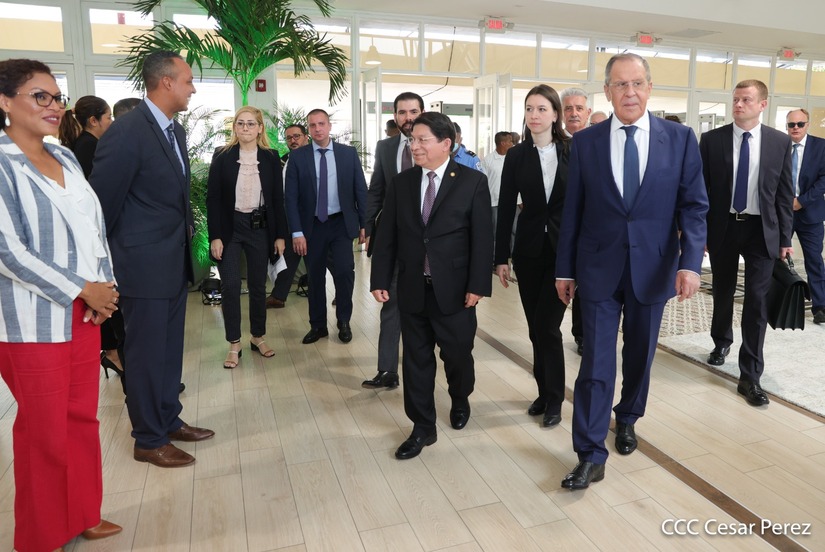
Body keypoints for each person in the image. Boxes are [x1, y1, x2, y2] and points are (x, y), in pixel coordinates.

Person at [555, 53, 708, 489]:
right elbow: (573, 211)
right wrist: (564, 269)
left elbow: (694, 206)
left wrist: (690, 263)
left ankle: (627, 417)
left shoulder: (679, 139)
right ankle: (589, 453)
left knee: (639, 355)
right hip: (598, 269)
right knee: (595, 364)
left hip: (654, 267)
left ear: (650, 87)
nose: (630, 92)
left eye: (637, 83)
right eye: (620, 84)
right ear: (607, 91)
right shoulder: (586, 142)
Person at [0, 58, 122, 551]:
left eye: (57, 97)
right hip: (32, 320)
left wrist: (106, 289)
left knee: (81, 420)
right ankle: (41, 536)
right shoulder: (2, 164)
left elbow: (93, 229)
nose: (54, 106)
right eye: (40, 96)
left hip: (86, 312)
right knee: (43, 432)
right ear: (5, 102)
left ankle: (84, 513)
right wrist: (82, 288)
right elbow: (7, 251)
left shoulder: (65, 156)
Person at [90, 50, 215, 468]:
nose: (192, 88)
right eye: (188, 80)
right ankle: (147, 439)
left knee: (168, 351)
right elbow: (101, 208)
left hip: (173, 262)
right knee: (145, 356)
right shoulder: (127, 132)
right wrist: (103, 270)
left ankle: (167, 420)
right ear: (166, 82)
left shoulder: (174, 131)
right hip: (141, 267)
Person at [370, 112, 493, 460]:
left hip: (455, 291)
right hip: (412, 287)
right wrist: (379, 278)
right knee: (415, 361)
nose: (415, 146)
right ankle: (422, 427)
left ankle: (460, 396)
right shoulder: (403, 183)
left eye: (423, 140)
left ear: (446, 144)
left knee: (457, 356)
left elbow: (482, 238)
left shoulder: (472, 182)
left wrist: (477, 285)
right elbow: (387, 235)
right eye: (413, 140)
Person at [702, 79, 794, 406]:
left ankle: (750, 375)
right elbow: (702, 191)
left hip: (761, 231)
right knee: (723, 289)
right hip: (724, 226)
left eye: (746, 100)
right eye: (736, 99)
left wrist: (785, 237)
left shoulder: (779, 142)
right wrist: (700, 233)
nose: (739, 105)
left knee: (757, 300)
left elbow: (783, 194)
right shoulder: (711, 140)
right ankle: (721, 340)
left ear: (762, 104)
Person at [495, 85, 570, 428]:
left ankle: (555, 398)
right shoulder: (517, 155)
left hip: (563, 253)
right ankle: (544, 391)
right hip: (528, 253)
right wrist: (501, 257)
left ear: (555, 114)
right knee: (535, 329)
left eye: (542, 109)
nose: (534, 115)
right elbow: (505, 206)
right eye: (529, 109)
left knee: (547, 326)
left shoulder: (573, 150)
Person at [207, 106, 287, 368]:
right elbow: (213, 199)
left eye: (251, 124)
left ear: (260, 128)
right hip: (229, 228)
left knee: (257, 286)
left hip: (260, 227)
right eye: (240, 123)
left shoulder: (271, 157)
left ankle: (257, 336)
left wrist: (279, 235)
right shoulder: (222, 155)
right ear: (234, 128)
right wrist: (215, 236)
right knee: (230, 285)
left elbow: (277, 200)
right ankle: (234, 343)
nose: (245, 128)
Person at [284, 109, 367, 344]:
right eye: (312, 125)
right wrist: (297, 232)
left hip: (341, 223)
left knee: (344, 272)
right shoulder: (298, 157)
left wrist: (365, 224)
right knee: (315, 277)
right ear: (308, 130)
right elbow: (291, 198)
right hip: (312, 227)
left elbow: (361, 190)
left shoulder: (347, 154)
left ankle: (344, 321)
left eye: (321, 124)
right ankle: (318, 325)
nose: (317, 128)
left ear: (329, 126)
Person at [57, 95, 125, 383]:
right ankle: (113, 353)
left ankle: (113, 352)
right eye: (108, 117)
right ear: (94, 120)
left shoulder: (83, 146)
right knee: (108, 297)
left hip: (94, 236)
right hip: (93, 237)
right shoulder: (88, 147)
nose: (111, 122)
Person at [362, 92, 424, 389]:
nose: (407, 117)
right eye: (402, 112)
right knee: (391, 305)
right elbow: (376, 189)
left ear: (422, 113)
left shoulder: (436, 144)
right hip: (395, 239)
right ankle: (387, 370)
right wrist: (367, 225)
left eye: (413, 111)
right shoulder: (385, 148)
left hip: (430, 243)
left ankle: (423, 369)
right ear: (395, 116)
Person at [786, 109, 825, 324]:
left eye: (800, 124)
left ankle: (820, 306)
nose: (795, 128)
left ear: (807, 124)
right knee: (773, 257)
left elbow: (824, 180)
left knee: (814, 260)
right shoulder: (780, 146)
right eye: (791, 124)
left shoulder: (821, 146)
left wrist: (801, 201)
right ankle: (775, 300)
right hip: (783, 212)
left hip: (811, 213)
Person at [560, 88, 591, 355]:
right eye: (568, 108)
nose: (574, 113)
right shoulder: (554, 145)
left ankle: (583, 335)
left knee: (587, 286)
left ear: (587, 112)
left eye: (579, 108)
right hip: (560, 228)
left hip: (592, 229)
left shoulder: (599, 144)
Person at [267, 123, 309, 309]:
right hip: (289, 218)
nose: (293, 140)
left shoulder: (315, 158)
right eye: (289, 138)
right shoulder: (283, 161)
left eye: (297, 136)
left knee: (326, 259)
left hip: (313, 219)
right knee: (289, 256)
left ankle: (340, 294)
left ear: (306, 137)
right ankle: (279, 295)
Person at [481, 130, 513, 248]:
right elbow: (483, 183)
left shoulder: (513, 158)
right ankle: (496, 256)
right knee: (496, 231)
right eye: (510, 141)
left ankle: (513, 255)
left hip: (513, 202)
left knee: (514, 230)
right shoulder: (488, 160)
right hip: (494, 203)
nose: (512, 144)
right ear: (503, 143)